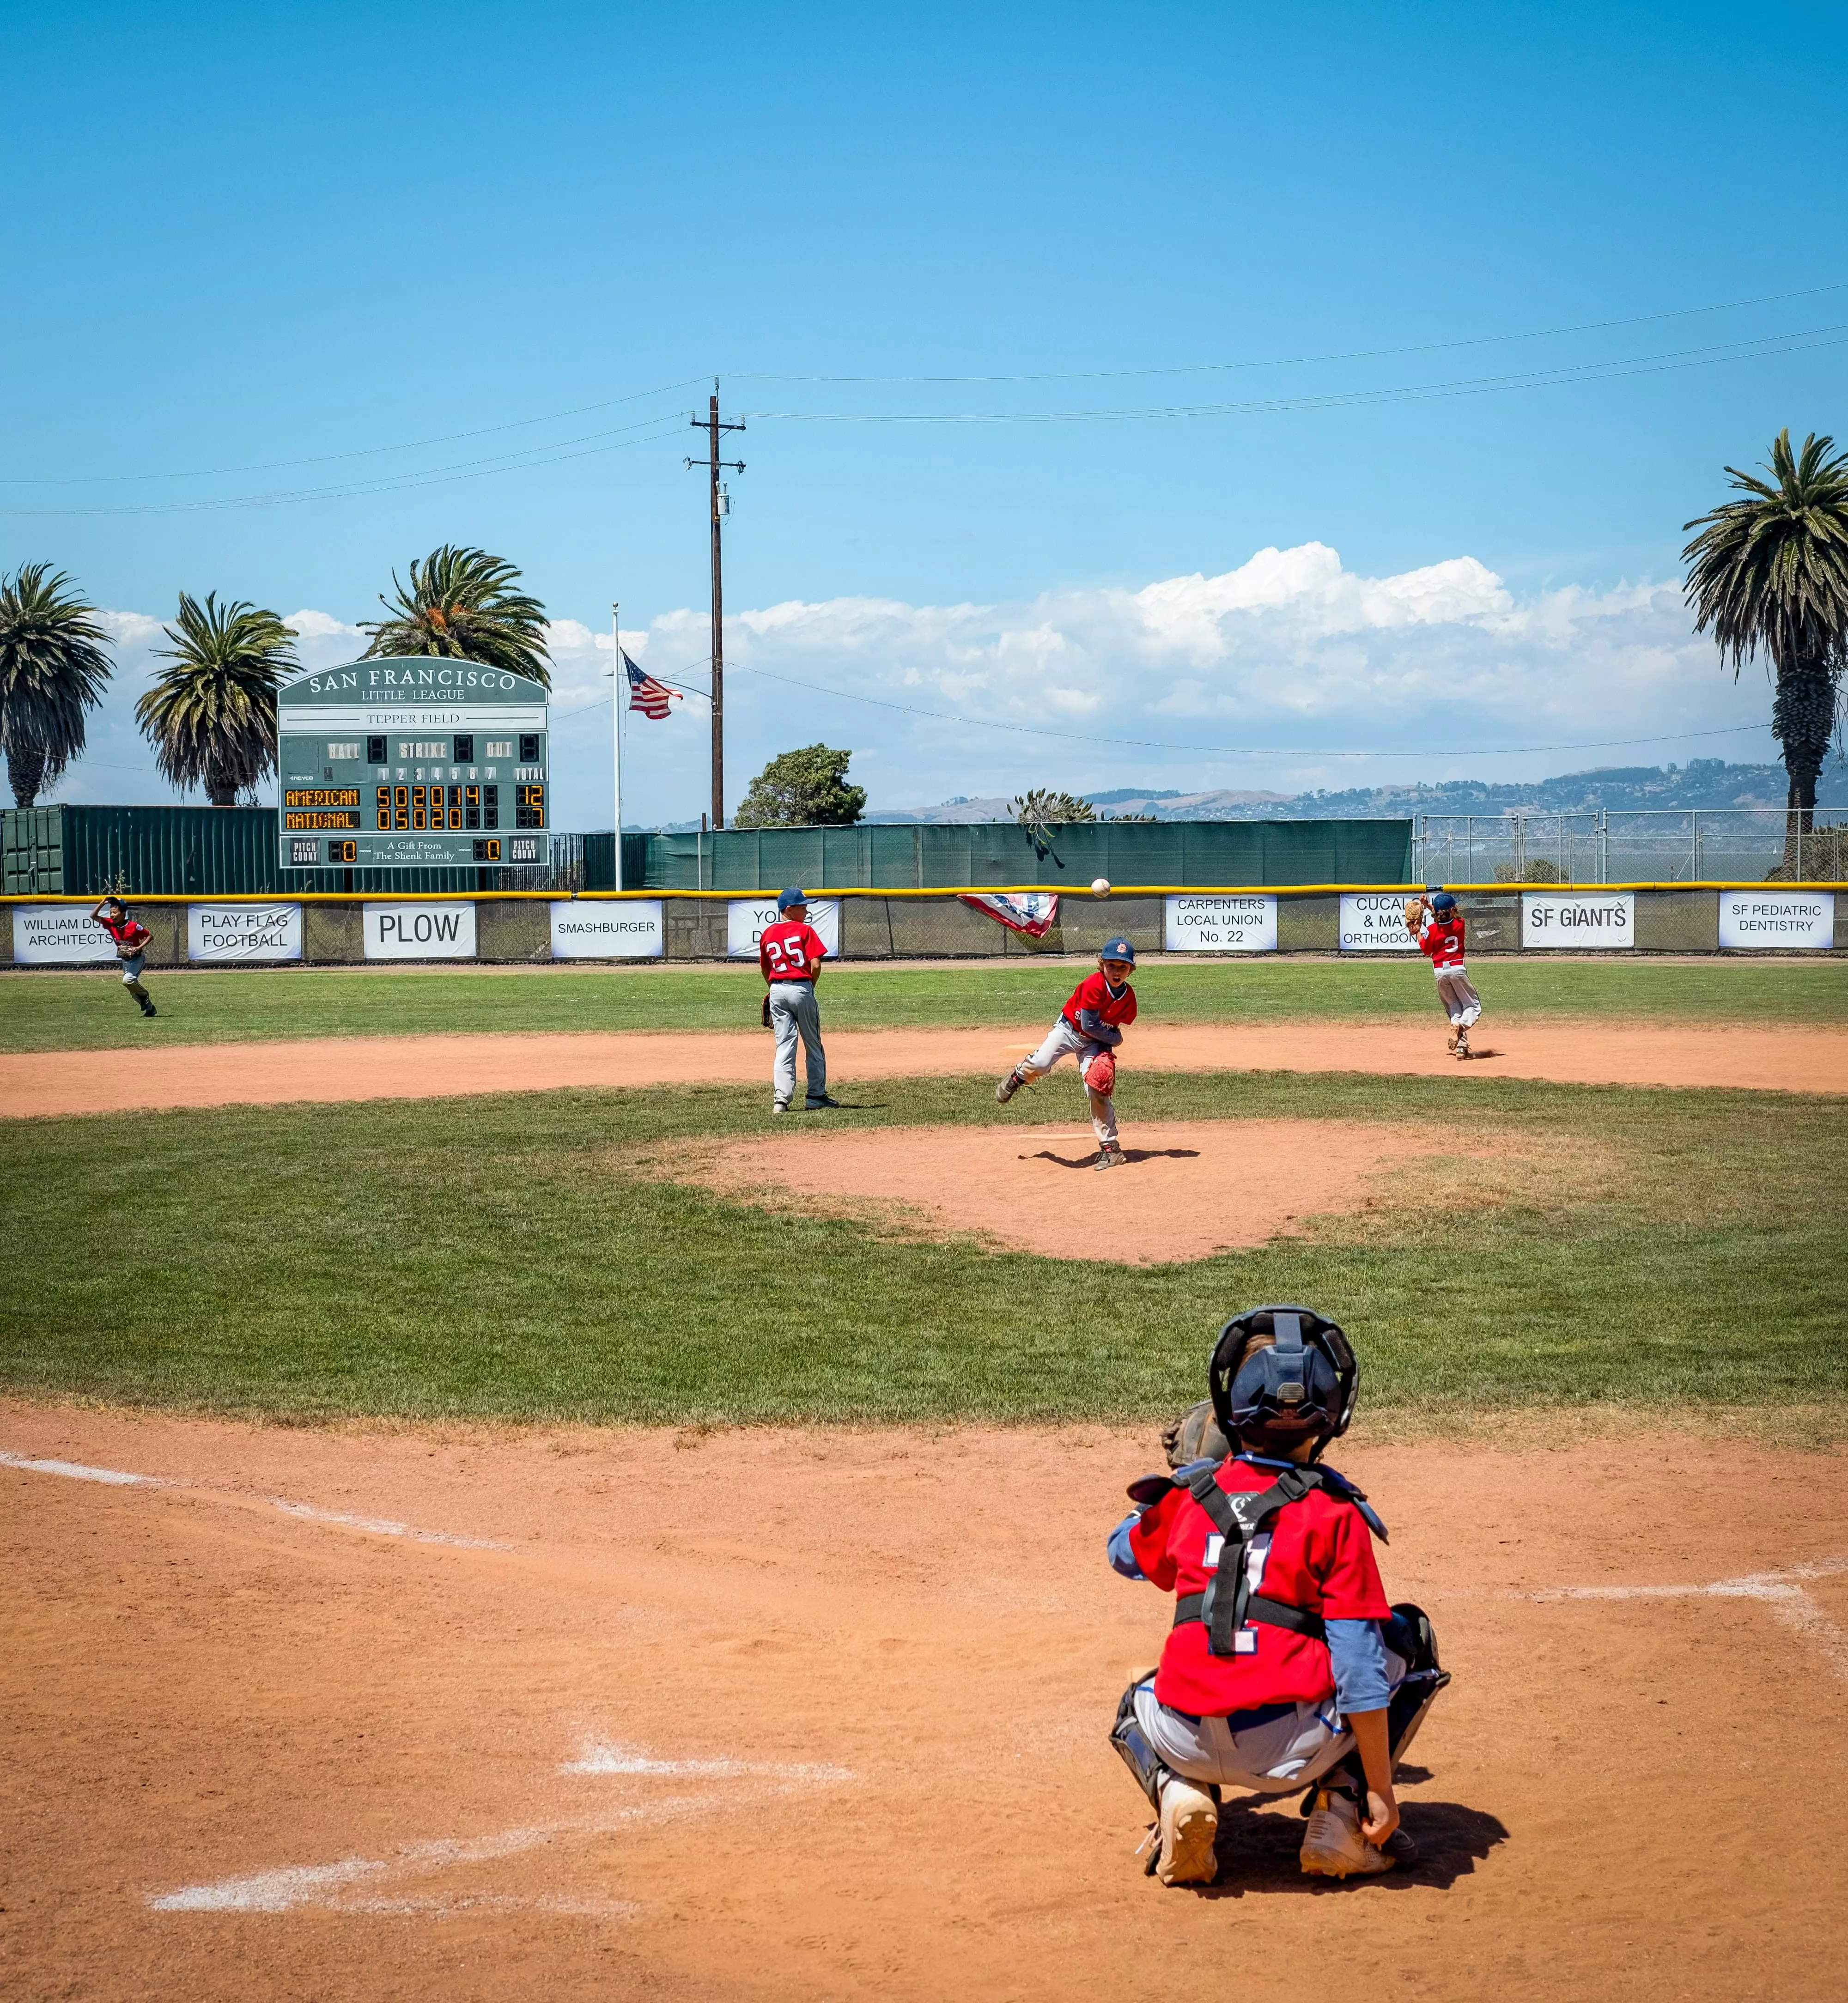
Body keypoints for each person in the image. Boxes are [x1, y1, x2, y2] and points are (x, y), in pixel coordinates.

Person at [1105, 1305, 1449, 1887]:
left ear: (1229, 1406)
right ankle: (1341, 1814)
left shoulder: (1188, 1497)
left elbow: (1121, 1552)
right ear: (1332, 1412)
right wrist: (1385, 1792)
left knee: (1135, 1698)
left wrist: (1186, 1478)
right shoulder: (1333, 1511)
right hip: (1289, 1748)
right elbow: (1360, 1670)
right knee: (1406, 1636)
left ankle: (1177, 1791)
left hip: (1183, 1737)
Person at [994, 938, 1136, 1171]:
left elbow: (1112, 1026)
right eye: (1112, 965)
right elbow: (1091, 1026)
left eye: (1123, 966)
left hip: (1095, 1044)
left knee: (1098, 1089)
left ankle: (1111, 1149)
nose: (1117, 971)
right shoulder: (1094, 984)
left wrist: (1111, 1042)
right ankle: (1019, 1076)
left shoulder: (1128, 998)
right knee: (1040, 1064)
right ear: (1102, 965)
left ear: (1131, 969)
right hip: (1069, 1030)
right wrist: (1117, 1040)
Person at [758, 887, 839, 1115]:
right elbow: (815, 965)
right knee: (813, 1044)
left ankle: (780, 1101)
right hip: (801, 987)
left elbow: (765, 967)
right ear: (789, 909)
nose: (806, 910)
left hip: (776, 990)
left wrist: (774, 989)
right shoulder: (805, 930)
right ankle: (815, 1096)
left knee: (784, 1046)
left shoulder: (767, 933)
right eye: (802, 907)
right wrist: (808, 987)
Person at [1406, 888, 1481, 1059]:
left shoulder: (1433, 929)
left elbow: (1426, 950)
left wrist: (1418, 932)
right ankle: (1461, 1027)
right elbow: (1446, 916)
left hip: (1440, 972)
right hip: (1457, 970)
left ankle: (1462, 1048)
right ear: (1453, 910)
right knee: (1473, 1007)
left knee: (1454, 1009)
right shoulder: (1460, 923)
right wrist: (1430, 907)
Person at [89, 895, 157, 1018]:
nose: (112, 915)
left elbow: (150, 936)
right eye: (110, 912)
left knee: (128, 981)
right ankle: (150, 1009)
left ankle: (145, 995)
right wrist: (102, 903)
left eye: (115, 912)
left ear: (123, 913)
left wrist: (138, 947)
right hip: (126, 961)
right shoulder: (110, 924)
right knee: (132, 989)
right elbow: (93, 916)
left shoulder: (134, 926)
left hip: (137, 959)